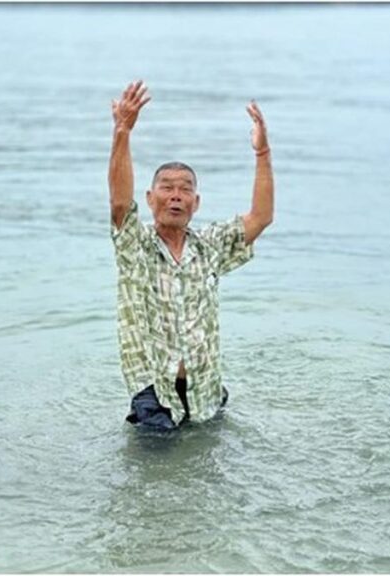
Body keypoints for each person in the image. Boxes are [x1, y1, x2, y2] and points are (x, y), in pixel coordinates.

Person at [108, 80, 274, 429]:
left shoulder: (208, 246)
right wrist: (122, 131)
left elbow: (261, 218)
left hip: (206, 389)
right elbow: (120, 203)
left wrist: (262, 155)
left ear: (196, 203)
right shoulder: (135, 246)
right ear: (150, 199)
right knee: (154, 479)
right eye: (167, 188)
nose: (176, 195)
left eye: (185, 189)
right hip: (155, 392)